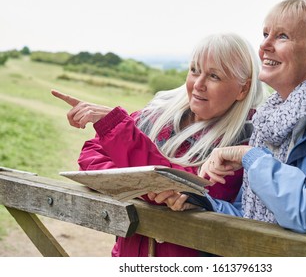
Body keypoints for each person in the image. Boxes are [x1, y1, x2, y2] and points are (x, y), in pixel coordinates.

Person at [155, 0, 306, 244]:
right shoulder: (272, 120)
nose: (265, 45)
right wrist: (201, 203)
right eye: (265, 34)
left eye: (282, 36)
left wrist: (250, 157)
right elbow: (251, 216)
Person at [52, 32, 266, 256]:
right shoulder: (158, 114)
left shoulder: (243, 144)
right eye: (194, 70)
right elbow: (91, 154)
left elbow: (187, 188)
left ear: (243, 89)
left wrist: (130, 178)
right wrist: (139, 183)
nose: (198, 84)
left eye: (214, 76)